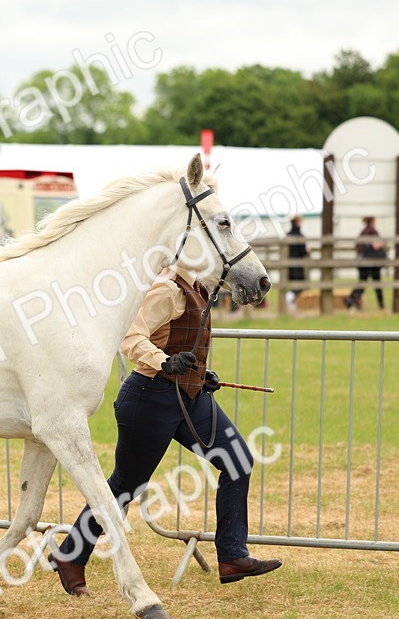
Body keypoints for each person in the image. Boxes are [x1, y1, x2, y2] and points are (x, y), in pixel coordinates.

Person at [51, 264, 283, 596]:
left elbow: (184, 339)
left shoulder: (200, 288)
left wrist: (200, 373)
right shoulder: (167, 289)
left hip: (190, 396)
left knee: (237, 461)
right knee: (126, 485)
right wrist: (163, 361)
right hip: (150, 398)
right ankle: (70, 555)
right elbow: (130, 336)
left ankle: (232, 555)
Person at [346, 216, 386, 310]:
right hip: (372, 261)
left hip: (362, 261)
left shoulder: (363, 231)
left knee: (362, 282)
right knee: (377, 283)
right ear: (373, 220)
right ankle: (381, 305)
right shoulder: (372, 231)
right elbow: (377, 245)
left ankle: (352, 299)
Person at [285, 215, 310, 300]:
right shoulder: (300, 236)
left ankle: (291, 300)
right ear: (297, 222)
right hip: (298, 265)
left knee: (292, 284)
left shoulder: (288, 235)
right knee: (299, 285)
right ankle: (290, 300)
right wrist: (308, 251)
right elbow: (303, 252)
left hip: (289, 264)